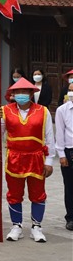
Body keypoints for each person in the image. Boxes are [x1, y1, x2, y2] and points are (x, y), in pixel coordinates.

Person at [0, 78, 55, 242]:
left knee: (38, 194)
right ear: (13, 94)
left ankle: (36, 226)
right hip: (14, 158)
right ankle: (16, 226)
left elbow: (49, 138)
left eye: (25, 92)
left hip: (36, 158)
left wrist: (49, 162)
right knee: (14, 193)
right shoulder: (5, 111)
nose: (22, 95)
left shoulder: (43, 111)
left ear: (31, 93)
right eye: (18, 92)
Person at [55, 74, 73, 231]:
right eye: (70, 90)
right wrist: (61, 155)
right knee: (70, 186)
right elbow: (59, 133)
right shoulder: (62, 110)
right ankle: (71, 217)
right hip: (69, 152)